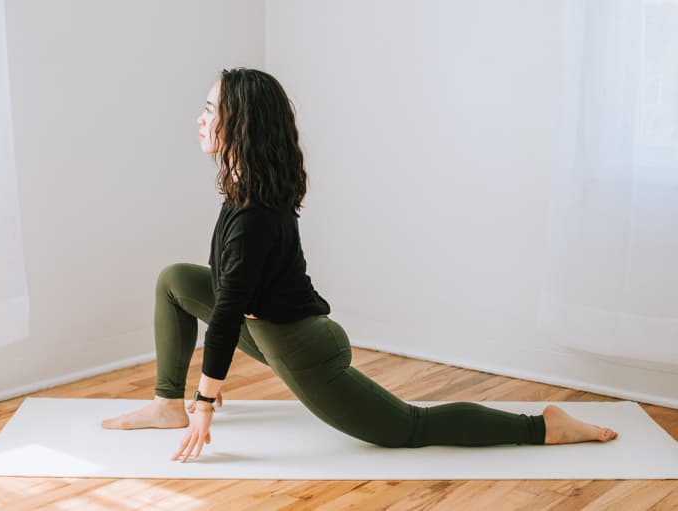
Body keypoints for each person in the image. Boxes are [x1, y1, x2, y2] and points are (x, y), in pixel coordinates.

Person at [101, 67, 618, 463]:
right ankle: (166, 404)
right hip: (276, 330)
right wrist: (190, 397)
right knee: (175, 279)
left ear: (240, 123)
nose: (200, 116)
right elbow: (225, 293)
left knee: (409, 428)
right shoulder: (244, 181)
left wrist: (206, 401)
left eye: (210, 108)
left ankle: (543, 426)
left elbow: (230, 310)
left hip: (305, 349)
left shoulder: (255, 212)